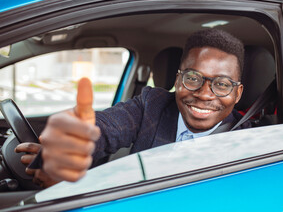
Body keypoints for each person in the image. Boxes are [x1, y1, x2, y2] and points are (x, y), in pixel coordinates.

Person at [15, 28, 250, 187]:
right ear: (178, 81)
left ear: (237, 93)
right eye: (193, 78)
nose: (204, 94)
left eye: (221, 84)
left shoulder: (253, 142)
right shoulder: (153, 104)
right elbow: (105, 126)